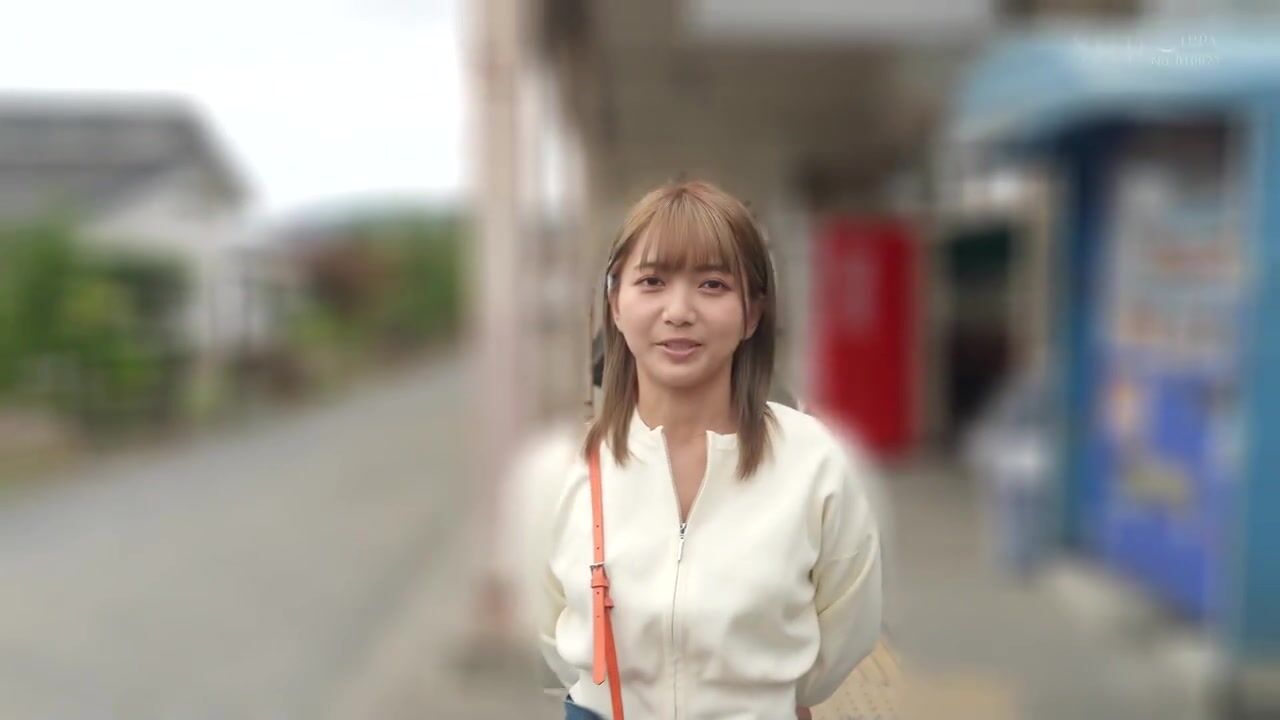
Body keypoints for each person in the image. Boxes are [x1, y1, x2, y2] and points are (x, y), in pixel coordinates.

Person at [518, 179, 882, 720]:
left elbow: (845, 629)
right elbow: (555, 632)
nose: (679, 310)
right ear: (615, 304)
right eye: (652, 281)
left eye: (712, 284)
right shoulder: (562, 471)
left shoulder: (815, 464)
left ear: (752, 313)